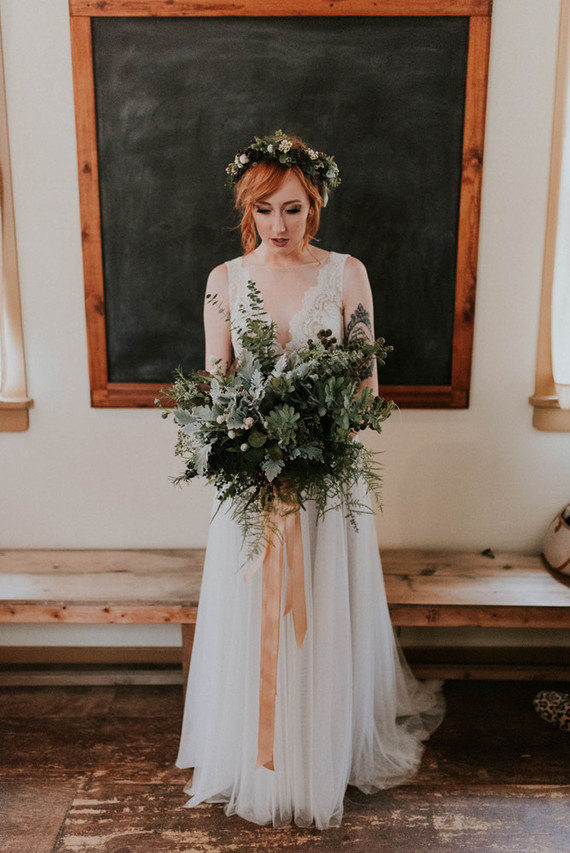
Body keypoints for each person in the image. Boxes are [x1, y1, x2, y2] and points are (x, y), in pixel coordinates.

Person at [175, 131, 445, 829]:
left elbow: (365, 387)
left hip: (327, 485)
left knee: (322, 617)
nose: (279, 225)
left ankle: (323, 752)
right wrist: (251, 448)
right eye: (265, 210)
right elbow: (217, 382)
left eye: (292, 209)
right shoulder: (223, 280)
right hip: (252, 488)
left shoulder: (347, 274)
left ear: (314, 204)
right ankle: (255, 757)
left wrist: (314, 451)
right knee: (255, 622)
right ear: (248, 208)